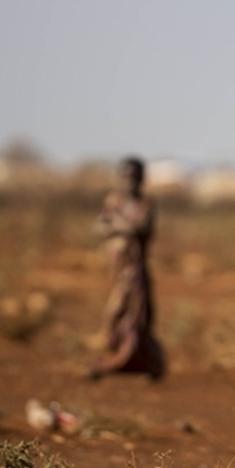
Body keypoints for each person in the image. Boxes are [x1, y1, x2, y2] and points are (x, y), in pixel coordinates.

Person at [89, 156, 166, 381]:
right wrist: (119, 226)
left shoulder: (145, 204)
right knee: (116, 315)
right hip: (116, 268)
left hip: (135, 270)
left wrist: (117, 225)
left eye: (133, 177)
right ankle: (118, 359)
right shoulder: (113, 201)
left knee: (134, 314)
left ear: (140, 179)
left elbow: (140, 227)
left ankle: (134, 363)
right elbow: (100, 226)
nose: (128, 182)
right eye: (124, 176)